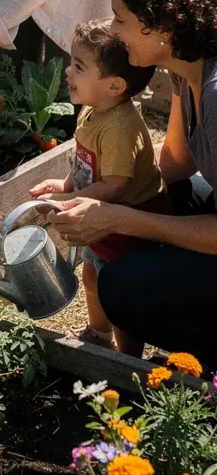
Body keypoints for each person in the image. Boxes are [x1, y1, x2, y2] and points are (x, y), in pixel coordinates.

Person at [53, 0, 217, 368]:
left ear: (161, 24)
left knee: (122, 286)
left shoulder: (216, 95)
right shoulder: (187, 71)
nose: (114, 29)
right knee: (174, 194)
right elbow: (176, 164)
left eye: (121, 18)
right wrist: (94, 179)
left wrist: (121, 218)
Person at [30, 20, 166, 353]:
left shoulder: (119, 127)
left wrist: (70, 198)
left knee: (120, 290)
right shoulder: (94, 111)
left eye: (79, 66)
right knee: (91, 274)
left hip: (127, 222)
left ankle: (127, 356)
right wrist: (63, 184)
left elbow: (116, 186)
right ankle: (98, 333)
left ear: (114, 86)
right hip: (101, 215)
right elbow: (86, 165)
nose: (66, 72)